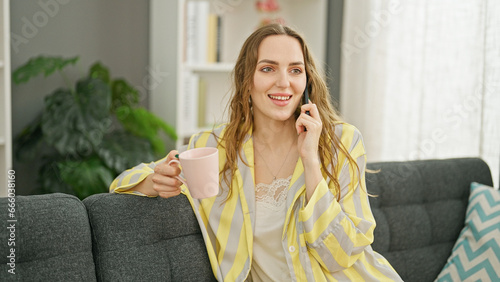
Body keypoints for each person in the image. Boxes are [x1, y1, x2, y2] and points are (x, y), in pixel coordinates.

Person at [110, 23, 402, 281]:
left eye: (295, 70)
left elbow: (342, 254)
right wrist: (156, 182)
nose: (283, 82)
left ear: (307, 82)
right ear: (246, 80)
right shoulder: (215, 148)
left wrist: (311, 162)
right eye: (268, 68)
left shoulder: (341, 141)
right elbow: (122, 182)